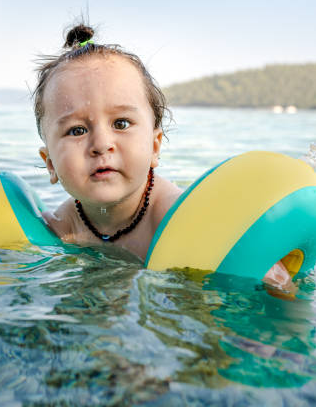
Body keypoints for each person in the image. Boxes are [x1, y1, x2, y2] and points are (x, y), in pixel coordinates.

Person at [32, 24, 295, 294]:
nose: (101, 144)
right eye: (77, 130)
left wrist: (261, 268)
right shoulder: (58, 228)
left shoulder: (179, 219)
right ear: (50, 162)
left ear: (155, 146)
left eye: (121, 123)